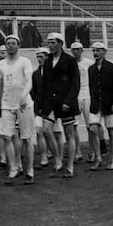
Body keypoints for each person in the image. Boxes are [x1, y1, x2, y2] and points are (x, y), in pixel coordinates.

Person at [0, 35, 36, 185]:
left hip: (24, 104)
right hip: (7, 104)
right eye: (8, 44)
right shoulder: (1, 64)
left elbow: (29, 82)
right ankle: (13, 168)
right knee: (7, 136)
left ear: (18, 45)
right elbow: (0, 86)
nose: (10, 46)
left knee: (27, 138)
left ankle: (29, 170)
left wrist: (23, 97)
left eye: (13, 43)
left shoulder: (25, 61)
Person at [42, 32, 80, 178]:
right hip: (51, 102)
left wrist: (68, 102)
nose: (50, 46)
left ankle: (70, 166)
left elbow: (75, 83)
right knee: (46, 130)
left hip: (66, 103)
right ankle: (58, 160)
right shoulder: (47, 60)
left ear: (60, 43)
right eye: (48, 43)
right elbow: (45, 84)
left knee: (69, 133)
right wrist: (42, 104)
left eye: (52, 43)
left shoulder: (70, 60)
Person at [87, 42, 113, 171]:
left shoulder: (112, 68)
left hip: (110, 105)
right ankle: (98, 158)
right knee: (92, 129)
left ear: (104, 52)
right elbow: (92, 88)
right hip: (96, 105)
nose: (96, 53)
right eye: (94, 51)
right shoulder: (91, 69)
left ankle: (112, 159)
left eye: (98, 51)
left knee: (112, 131)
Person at [71, 42, 96, 162]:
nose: (75, 52)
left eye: (77, 49)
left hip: (87, 96)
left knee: (90, 125)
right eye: (73, 50)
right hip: (74, 97)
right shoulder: (70, 64)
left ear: (82, 50)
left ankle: (93, 151)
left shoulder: (89, 63)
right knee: (73, 125)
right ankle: (77, 151)